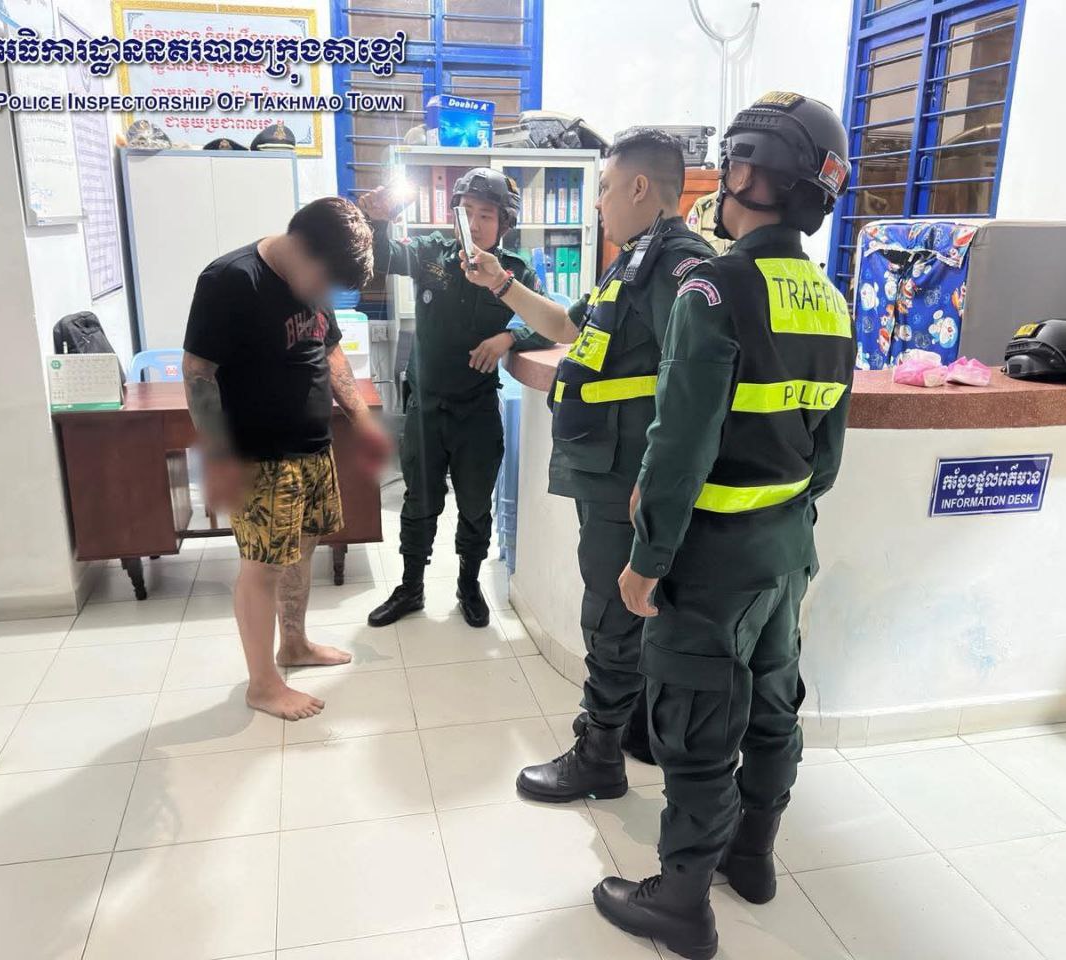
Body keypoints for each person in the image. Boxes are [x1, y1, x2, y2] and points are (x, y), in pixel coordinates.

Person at [593, 92, 856, 960]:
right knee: (773, 708)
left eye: (734, 161)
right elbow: (827, 459)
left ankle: (680, 901)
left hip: (708, 562)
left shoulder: (713, 286)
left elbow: (678, 444)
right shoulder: (830, 299)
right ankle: (752, 858)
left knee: (698, 724)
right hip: (785, 555)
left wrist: (646, 560)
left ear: (753, 174)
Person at [461, 129, 715, 795]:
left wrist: (654, 481)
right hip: (608, 466)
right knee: (625, 608)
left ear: (639, 187)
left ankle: (599, 755)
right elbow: (569, 327)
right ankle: (635, 728)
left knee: (608, 612)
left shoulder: (677, 268)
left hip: (627, 474)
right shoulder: (634, 261)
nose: (598, 202)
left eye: (605, 187)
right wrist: (502, 283)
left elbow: (691, 384)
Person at [182, 197, 391, 721]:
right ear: (300, 247)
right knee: (262, 567)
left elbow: (330, 349)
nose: (324, 293)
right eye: (324, 281)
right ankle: (262, 685)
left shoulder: (313, 280)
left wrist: (362, 421)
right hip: (259, 456)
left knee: (301, 548)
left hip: (313, 446)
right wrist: (219, 456)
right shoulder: (231, 280)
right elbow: (198, 372)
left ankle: (293, 644)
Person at [360, 168, 551, 629]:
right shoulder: (430, 253)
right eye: (466, 212)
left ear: (503, 223)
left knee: (476, 506)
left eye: (486, 214)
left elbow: (547, 323)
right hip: (426, 408)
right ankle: (411, 587)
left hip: (476, 412)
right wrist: (378, 220)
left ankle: (468, 585)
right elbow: (382, 256)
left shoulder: (514, 272)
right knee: (419, 503)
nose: (475, 223)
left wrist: (509, 337)